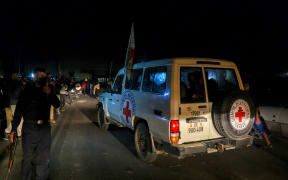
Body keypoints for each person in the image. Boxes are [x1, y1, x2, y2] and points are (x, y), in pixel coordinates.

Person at [10, 68, 60, 180]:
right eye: (39, 76)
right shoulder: (27, 91)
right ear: (35, 77)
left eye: (44, 76)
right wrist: (14, 128)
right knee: (28, 158)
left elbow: (57, 104)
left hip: (44, 129)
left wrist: (50, 93)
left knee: (44, 157)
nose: (42, 78)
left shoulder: (47, 90)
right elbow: (18, 111)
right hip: (29, 128)